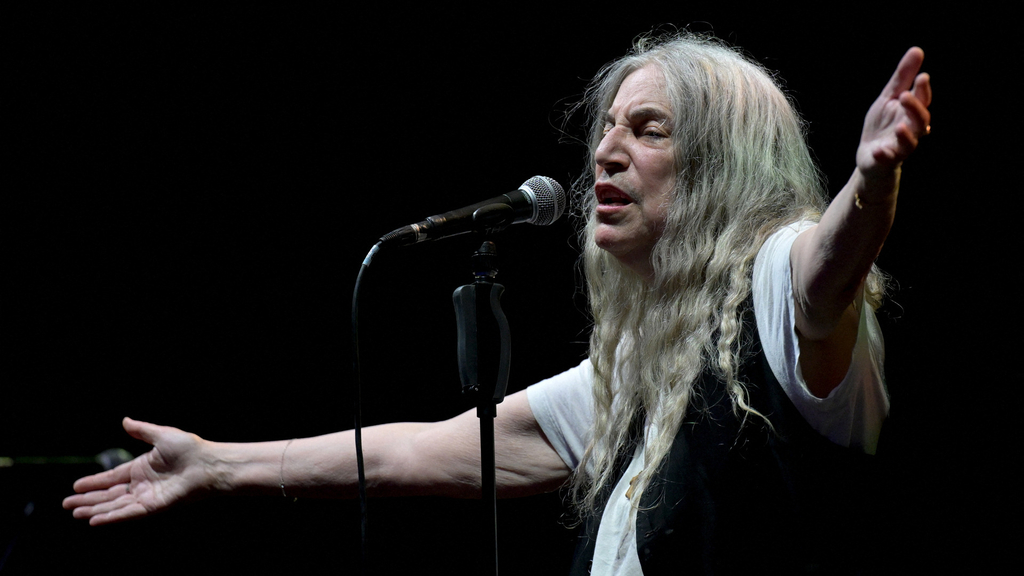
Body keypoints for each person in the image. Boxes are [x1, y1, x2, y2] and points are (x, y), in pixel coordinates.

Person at [64, 33, 932, 574]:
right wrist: (219, 464)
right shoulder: (641, 372)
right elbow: (423, 451)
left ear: (724, 167)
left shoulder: (774, 291)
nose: (606, 152)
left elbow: (826, 271)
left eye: (649, 129)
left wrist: (870, 184)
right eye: (607, 127)